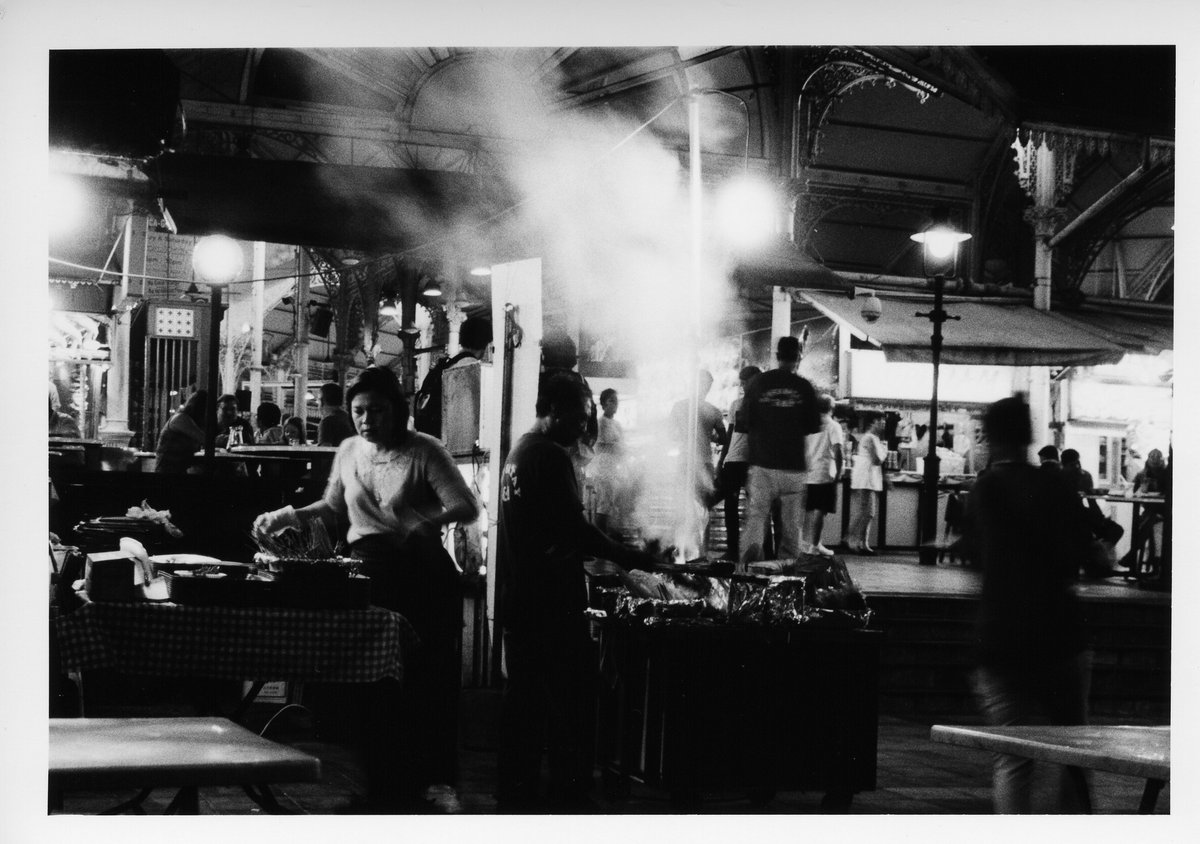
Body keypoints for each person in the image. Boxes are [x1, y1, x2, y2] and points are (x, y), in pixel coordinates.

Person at [253, 366, 480, 812]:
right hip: (367, 574)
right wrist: (286, 515)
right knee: (373, 684)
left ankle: (425, 786)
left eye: (376, 410)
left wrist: (420, 521)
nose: (366, 420)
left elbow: (465, 506)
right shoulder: (349, 449)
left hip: (422, 578)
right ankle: (383, 787)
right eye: (359, 411)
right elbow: (334, 506)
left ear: (397, 410)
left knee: (422, 685)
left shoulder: (424, 450)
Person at [495, 373, 658, 812]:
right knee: (572, 700)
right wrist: (630, 557)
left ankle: (515, 789)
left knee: (524, 700)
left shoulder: (518, 453)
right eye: (580, 416)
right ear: (552, 409)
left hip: (519, 596)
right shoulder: (548, 455)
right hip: (551, 600)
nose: (584, 427)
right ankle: (569, 794)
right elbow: (574, 529)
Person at [961, 395, 1093, 814]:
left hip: (1001, 634)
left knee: (1014, 756)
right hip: (1060, 633)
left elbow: (975, 550)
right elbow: (1083, 549)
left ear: (992, 438)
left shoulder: (985, 489)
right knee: (1074, 751)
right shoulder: (1056, 484)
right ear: (1029, 435)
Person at [738, 335, 821, 563]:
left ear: (777, 356)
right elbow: (813, 426)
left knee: (756, 519)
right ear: (798, 357)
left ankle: (750, 570)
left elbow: (744, 422)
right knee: (792, 524)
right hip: (793, 466)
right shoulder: (804, 387)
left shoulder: (758, 383)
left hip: (762, 463)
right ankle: (787, 576)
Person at [413, 316, 493, 439]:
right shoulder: (473, 368)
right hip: (456, 441)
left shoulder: (445, 366)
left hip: (432, 439)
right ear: (485, 344)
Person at [713, 365, 760, 562]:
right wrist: (721, 461)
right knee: (730, 508)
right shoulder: (735, 405)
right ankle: (733, 550)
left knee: (756, 508)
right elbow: (730, 435)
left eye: (747, 381)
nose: (744, 386)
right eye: (743, 382)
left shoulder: (762, 406)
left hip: (754, 463)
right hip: (734, 460)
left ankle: (753, 550)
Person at [803, 394, 844, 557]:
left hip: (806, 472)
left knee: (807, 510)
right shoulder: (833, 426)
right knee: (820, 510)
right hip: (824, 472)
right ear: (831, 408)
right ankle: (814, 545)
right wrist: (840, 470)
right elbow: (838, 450)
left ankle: (806, 544)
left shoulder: (807, 425)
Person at [846, 411, 887, 555]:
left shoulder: (874, 438)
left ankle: (862, 542)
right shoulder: (869, 438)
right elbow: (877, 459)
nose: (883, 423)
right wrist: (884, 452)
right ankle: (853, 541)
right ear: (873, 422)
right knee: (865, 511)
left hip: (869, 478)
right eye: (880, 420)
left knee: (868, 512)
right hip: (865, 478)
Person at [588, 388, 626, 537]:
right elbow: (600, 445)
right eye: (611, 400)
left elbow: (622, 447)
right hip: (603, 469)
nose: (615, 404)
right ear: (603, 404)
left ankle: (609, 536)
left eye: (616, 401)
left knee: (611, 505)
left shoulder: (617, 425)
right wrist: (616, 447)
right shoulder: (600, 423)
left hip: (615, 470)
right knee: (604, 505)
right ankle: (601, 539)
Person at [154, 390, 207, 473]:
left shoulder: (191, 421)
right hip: (167, 472)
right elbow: (205, 439)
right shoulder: (180, 419)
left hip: (180, 470)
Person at [316, 382, 356, 447]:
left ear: (322, 402)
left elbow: (324, 451)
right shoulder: (349, 418)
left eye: (318, 401)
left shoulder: (327, 422)